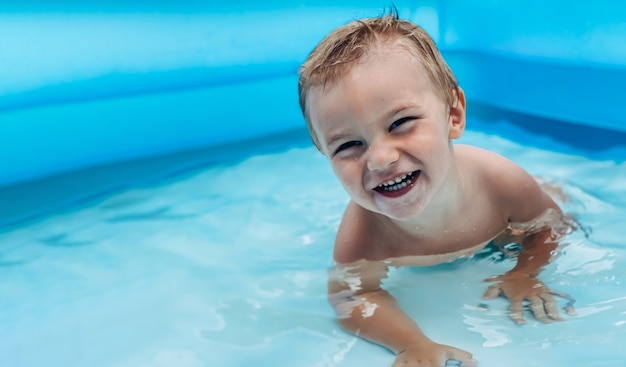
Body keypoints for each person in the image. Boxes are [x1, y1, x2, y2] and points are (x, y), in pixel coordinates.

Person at [297, 11, 577, 367]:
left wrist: (524, 272)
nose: (380, 159)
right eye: (348, 145)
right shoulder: (363, 235)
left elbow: (550, 226)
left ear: (454, 115)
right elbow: (352, 296)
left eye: (400, 123)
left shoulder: (499, 182)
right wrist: (412, 344)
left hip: (504, 228)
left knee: (554, 200)